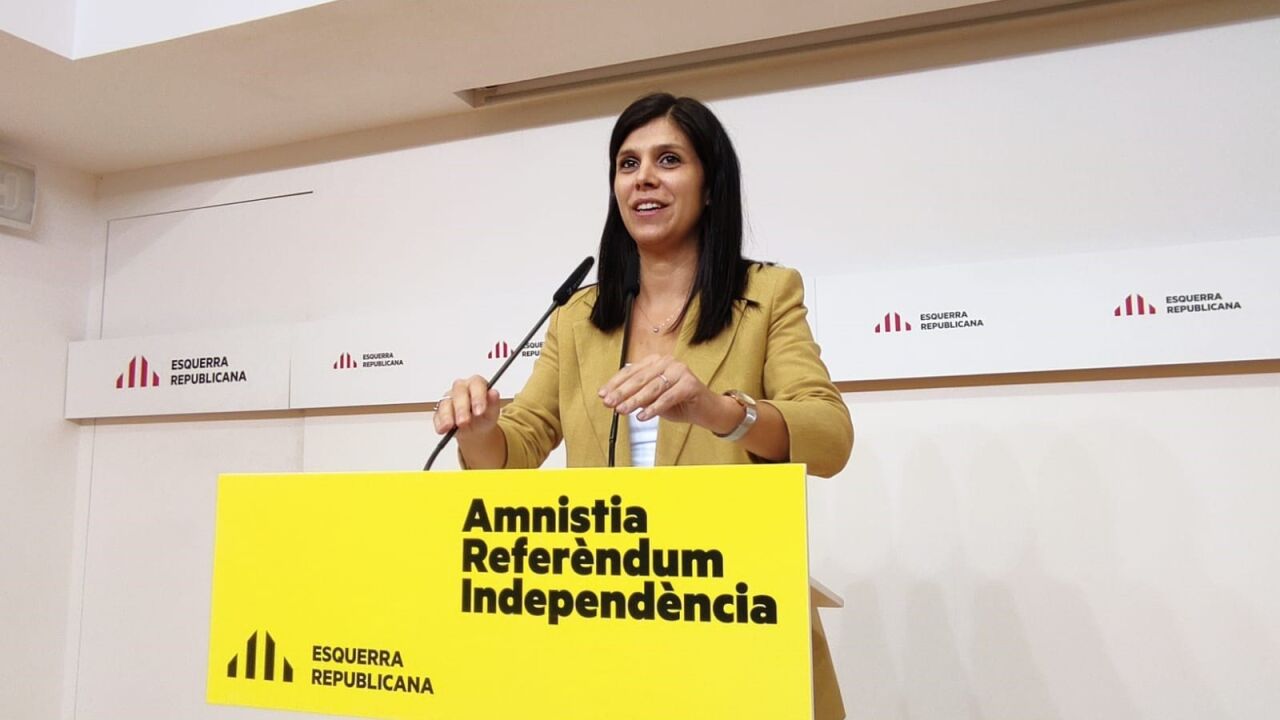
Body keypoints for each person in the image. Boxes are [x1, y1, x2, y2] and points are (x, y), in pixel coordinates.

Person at [435, 93, 853, 478]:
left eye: (669, 160)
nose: (643, 178)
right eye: (628, 164)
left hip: (721, 538)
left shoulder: (768, 293)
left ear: (710, 186)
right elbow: (518, 447)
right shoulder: (575, 316)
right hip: (607, 538)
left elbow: (831, 439)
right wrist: (478, 431)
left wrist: (717, 411)